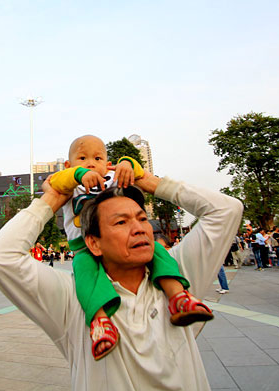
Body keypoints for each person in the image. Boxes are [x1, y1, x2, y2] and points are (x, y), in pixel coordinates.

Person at [0, 166, 243, 390]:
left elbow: (227, 210)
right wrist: (51, 199)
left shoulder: (177, 279)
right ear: (93, 243)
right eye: (121, 222)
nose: (139, 227)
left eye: (142, 218)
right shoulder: (73, 299)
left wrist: (146, 181)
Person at [48, 135, 212, 360]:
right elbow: (54, 182)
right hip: (85, 246)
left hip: (116, 241)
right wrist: (79, 175)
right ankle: (100, 321)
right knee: (83, 271)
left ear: (107, 163)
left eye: (97, 158)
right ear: (69, 165)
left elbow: (135, 170)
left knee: (156, 251)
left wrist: (126, 163)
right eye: (82, 158)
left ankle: (178, 297)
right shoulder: (71, 182)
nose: (90, 163)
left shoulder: (110, 178)